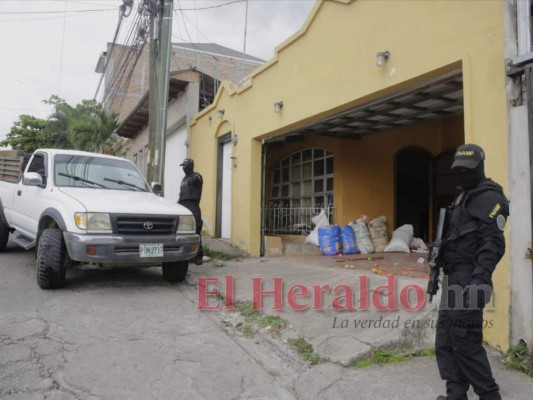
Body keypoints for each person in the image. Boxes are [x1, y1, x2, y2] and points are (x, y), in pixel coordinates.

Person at [435, 144, 509, 400]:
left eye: (467, 170)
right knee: (445, 339)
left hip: (469, 278)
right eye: (459, 170)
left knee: (465, 342)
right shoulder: (462, 197)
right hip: (452, 277)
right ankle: (455, 394)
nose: (462, 175)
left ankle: (490, 396)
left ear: (480, 167)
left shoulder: (489, 197)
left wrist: (480, 277)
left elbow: (493, 243)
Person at [178, 158, 204, 265]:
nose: (184, 168)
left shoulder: (196, 176)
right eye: (183, 166)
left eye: (185, 165)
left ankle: (198, 255)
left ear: (190, 166)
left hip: (193, 205)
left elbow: (197, 180)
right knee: (184, 231)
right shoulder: (183, 179)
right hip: (183, 205)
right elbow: (181, 194)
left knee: (196, 229)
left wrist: (194, 179)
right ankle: (187, 254)